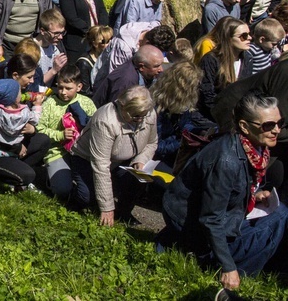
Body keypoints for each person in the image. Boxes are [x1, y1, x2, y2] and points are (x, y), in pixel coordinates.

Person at [158, 92, 288, 290]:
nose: (276, 130)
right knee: (278, 219)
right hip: (194, 226)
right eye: (268, 125)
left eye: (280, 123)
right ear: (245, 126)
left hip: (212, 216)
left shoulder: (252, 148)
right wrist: (228, 267)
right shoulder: (226, 160)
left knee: (279, 213)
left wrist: (255, 194)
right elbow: (210, 219)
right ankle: (239, 272)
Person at [69, 85, 158, 226]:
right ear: (122, 106)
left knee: (141, 179)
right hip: (87, 159)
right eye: (135, 117)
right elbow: (101, 165)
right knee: (87, 197)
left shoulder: (148, 113)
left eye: (143, 116)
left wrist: (140, 160)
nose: (140, 120)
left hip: (123, 159)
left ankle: (123, 212)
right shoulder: (105, 120)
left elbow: (152, 143)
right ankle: (73, 195)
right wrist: (107, 208)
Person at [36, 66, 97, 201]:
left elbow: (96, 127)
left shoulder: (86, 103)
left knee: (91, 190)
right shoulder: (50, 103)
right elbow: (39, 128)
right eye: (60, 87)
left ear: (79, 87)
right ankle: (52, 179)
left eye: (68, 88)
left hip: (82, 152)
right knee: (62, 190)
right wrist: (60, 135)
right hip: (57, 151)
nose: (63, 92)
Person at [149, 60, 203, 169]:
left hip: (174, 151)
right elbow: (156, 146)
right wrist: (182, 143)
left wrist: (195, 133)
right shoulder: (156, 109)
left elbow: (185, 123)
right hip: (155, 159)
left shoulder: (183, 102)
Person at [198, 18, 255, 120]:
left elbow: (247, 90)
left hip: (238, 114)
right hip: (212, 116)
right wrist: (224, 116)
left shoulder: (248, 58)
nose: (250, 38)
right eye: (244, 36)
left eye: (249, 34)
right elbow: (206, 93)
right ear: (229, 38)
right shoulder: (210, 60)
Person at [58, 0, 109, 65]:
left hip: (98, 39)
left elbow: (102, 10)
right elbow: (71, 18)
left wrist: (101, 29)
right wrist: (91, 31)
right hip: (79, 41)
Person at [93, 44, 164, 107]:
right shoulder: (126, 81)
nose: (161, 69)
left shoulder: (136, 67)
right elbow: (118, 110)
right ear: (142, 67)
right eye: (156, 66)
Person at [33, 9, 68, 88]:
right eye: (56, 33)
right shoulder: (31, 50)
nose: (60, 37)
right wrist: (54, 70)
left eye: (62, 33)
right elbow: (33, 84)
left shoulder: (56, 48)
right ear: (42, 31)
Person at [76, 25, 113, 96]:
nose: (110, 44)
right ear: (95, 43)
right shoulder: (83, 63)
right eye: (105, 41)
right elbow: (85, 92)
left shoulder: (109, 57)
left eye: (111, 39)